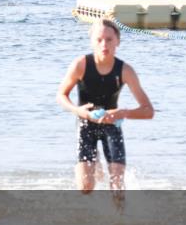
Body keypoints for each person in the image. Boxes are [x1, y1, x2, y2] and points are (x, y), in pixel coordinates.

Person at [57, 19, 155, 195]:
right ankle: (89, 168)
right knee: (86, 187)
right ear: (92, 41)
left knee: (117, 187)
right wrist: (79, 111)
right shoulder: (81, 65)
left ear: (117, 41)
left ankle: (119, 221)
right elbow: (61, 95)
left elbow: (148, 111)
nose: (104, 44)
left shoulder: (125, 71)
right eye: (99, 39)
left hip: (112, 125)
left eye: (109, 39)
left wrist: (122, 112)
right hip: (86, 125)